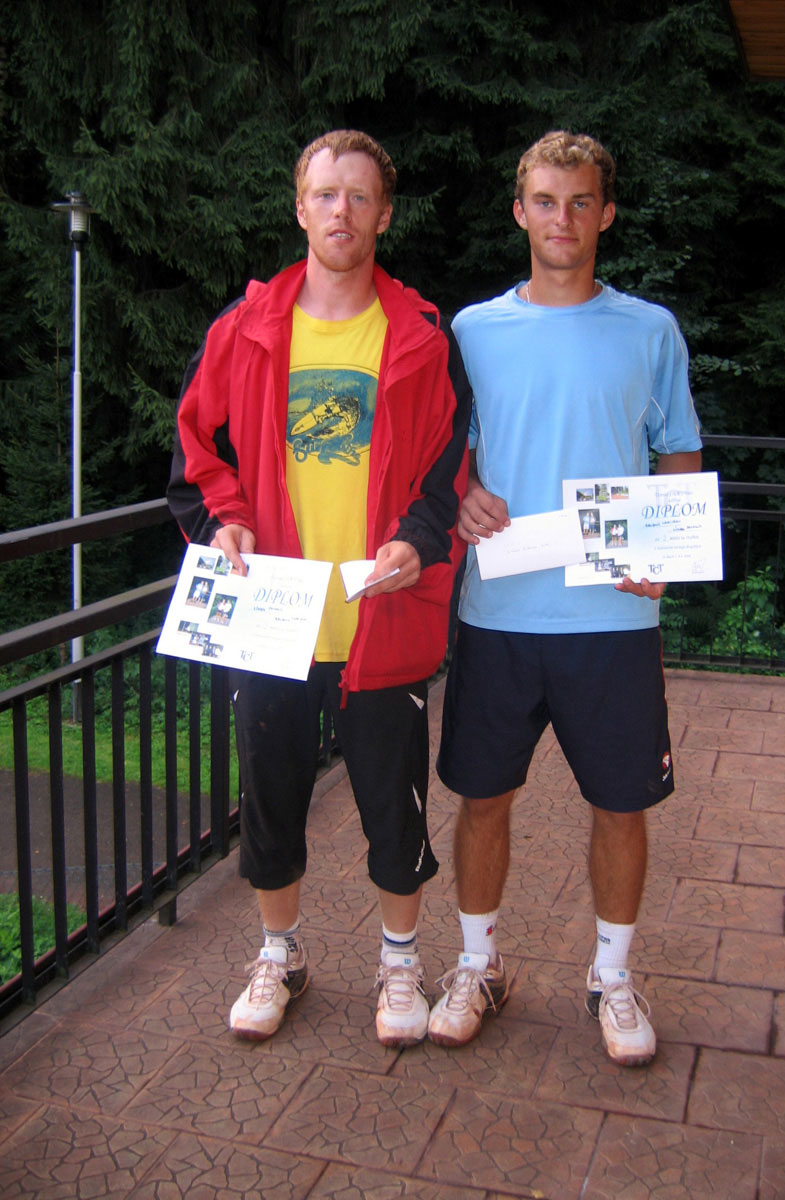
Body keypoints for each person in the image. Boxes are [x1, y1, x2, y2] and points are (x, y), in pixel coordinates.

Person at [168, 130, 471, 1046]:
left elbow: (448, 471)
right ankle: (280, 955)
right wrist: (222, 521)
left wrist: (420, 539)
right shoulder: (245, 327)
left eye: (360, 196)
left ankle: (399, 964)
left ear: (385, 215)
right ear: (300, 208)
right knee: (269, 801)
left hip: (382, 615)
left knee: (395, 807)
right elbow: (195, 449)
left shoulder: (421, 335)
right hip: (274, 620)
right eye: (326, 194)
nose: (343, 210)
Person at [428, 130, 702, 1066]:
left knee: (621, 805)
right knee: (482, 800)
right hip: (498, 613)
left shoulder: (650, 330)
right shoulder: (471, 331)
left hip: (613, 618)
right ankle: (478, 966)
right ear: (519, 212)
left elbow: (678, 448)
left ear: (606, 213)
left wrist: (663, 545)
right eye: (546, 201)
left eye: (581, 201)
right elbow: (443, 451)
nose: (563, 218)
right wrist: (463, 490)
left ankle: (612, 978)